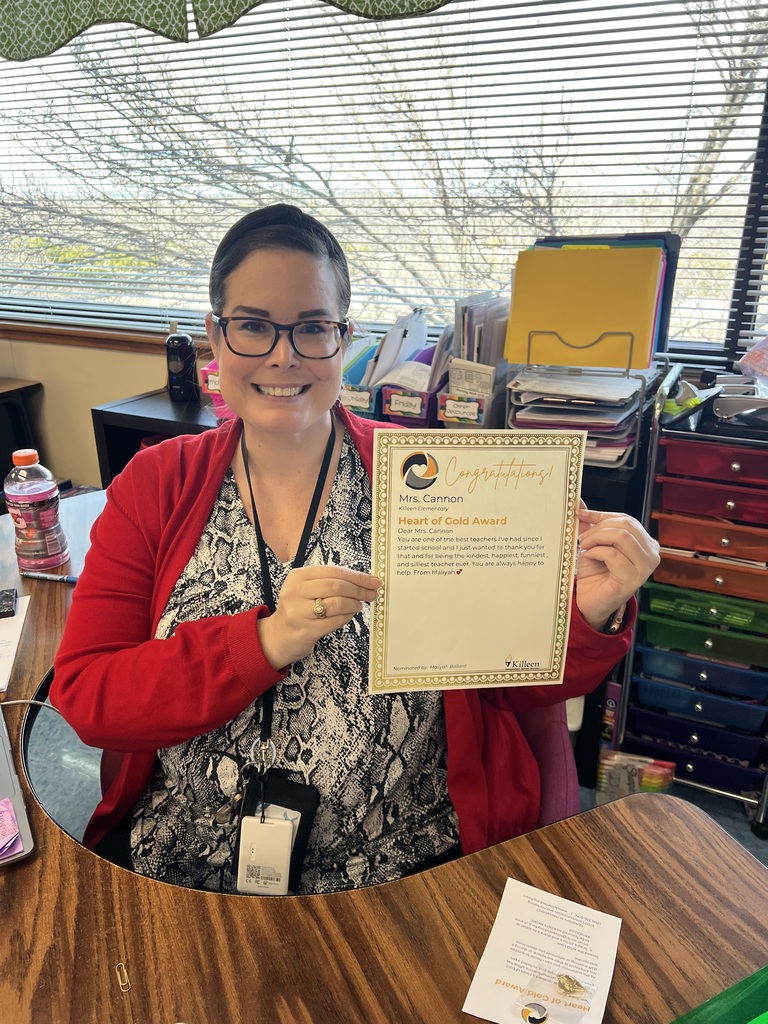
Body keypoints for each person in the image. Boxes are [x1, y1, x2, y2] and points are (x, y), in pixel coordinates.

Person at [51, 204, 660, 895]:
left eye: (312, 328)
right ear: (215, 338)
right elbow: (89, 699)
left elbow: (509, 686)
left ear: (344, 340)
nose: (284, 356)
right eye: (253, 326)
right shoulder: (159, 483)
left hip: (403, 861)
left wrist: (584, 613)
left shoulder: (432, 479)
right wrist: (268, 640)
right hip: (188, 863)